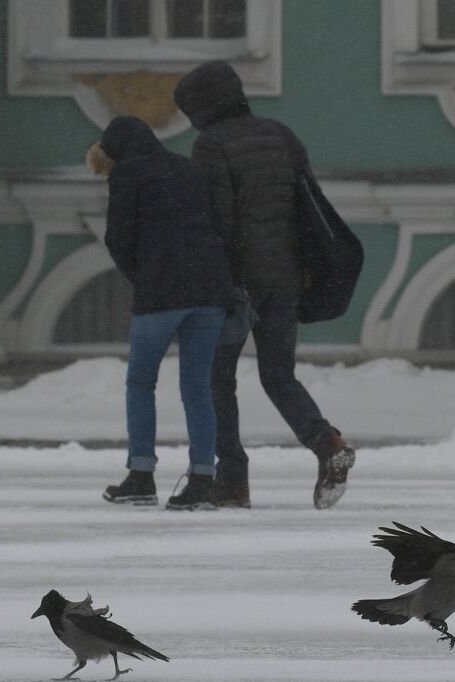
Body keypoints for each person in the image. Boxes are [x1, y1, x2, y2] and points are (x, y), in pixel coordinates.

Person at [174, 61, 356, 510]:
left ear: (202, 107)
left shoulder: (210, 145)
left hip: (239, 283)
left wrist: (214, 280)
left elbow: (219, 219)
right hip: (287, 275)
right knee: (278, 374)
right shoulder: (281, 134)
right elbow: (307, 205)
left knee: (218, 380)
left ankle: (232, 480)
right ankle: (327, 442)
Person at [90, 116, 236, 511]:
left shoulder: (128, 174)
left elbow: (118, 237)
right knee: (198, 388)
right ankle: (203, 481)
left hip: (161, 294)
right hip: (210, 292)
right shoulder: (190, 168)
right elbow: (221, 227)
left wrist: (144, 276)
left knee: (140, 383)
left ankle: (141, 477)